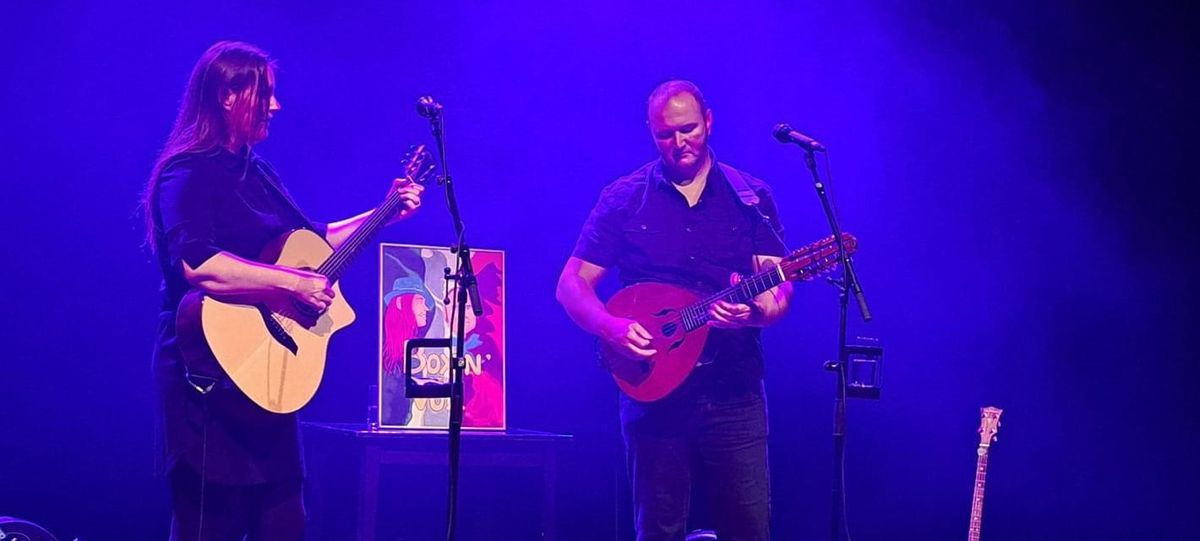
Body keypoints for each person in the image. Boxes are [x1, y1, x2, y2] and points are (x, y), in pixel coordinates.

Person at [142, 41, 424, 540]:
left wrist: (383, 212)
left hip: (265, 378)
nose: (276, 106)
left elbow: (312, 242)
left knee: (285, 521)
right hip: (208, 380)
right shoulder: (187, 170)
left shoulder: (258, 171)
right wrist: (291, 282)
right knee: (210, 525)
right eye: (265, 93)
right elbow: (198, 264)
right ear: (228, 96)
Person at [556, 80, 794, 541]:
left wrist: (755, 314)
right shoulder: (625, 197)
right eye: (666, 134)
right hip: (653, 387)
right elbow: (571, 284)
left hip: (734, 386)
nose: (679, 142)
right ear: (651, 132)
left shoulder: (751, 198)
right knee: (659, 529)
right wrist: (610, 326)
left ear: (708, 122)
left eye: (688, 129)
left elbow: (778, 289)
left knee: (749, 527)